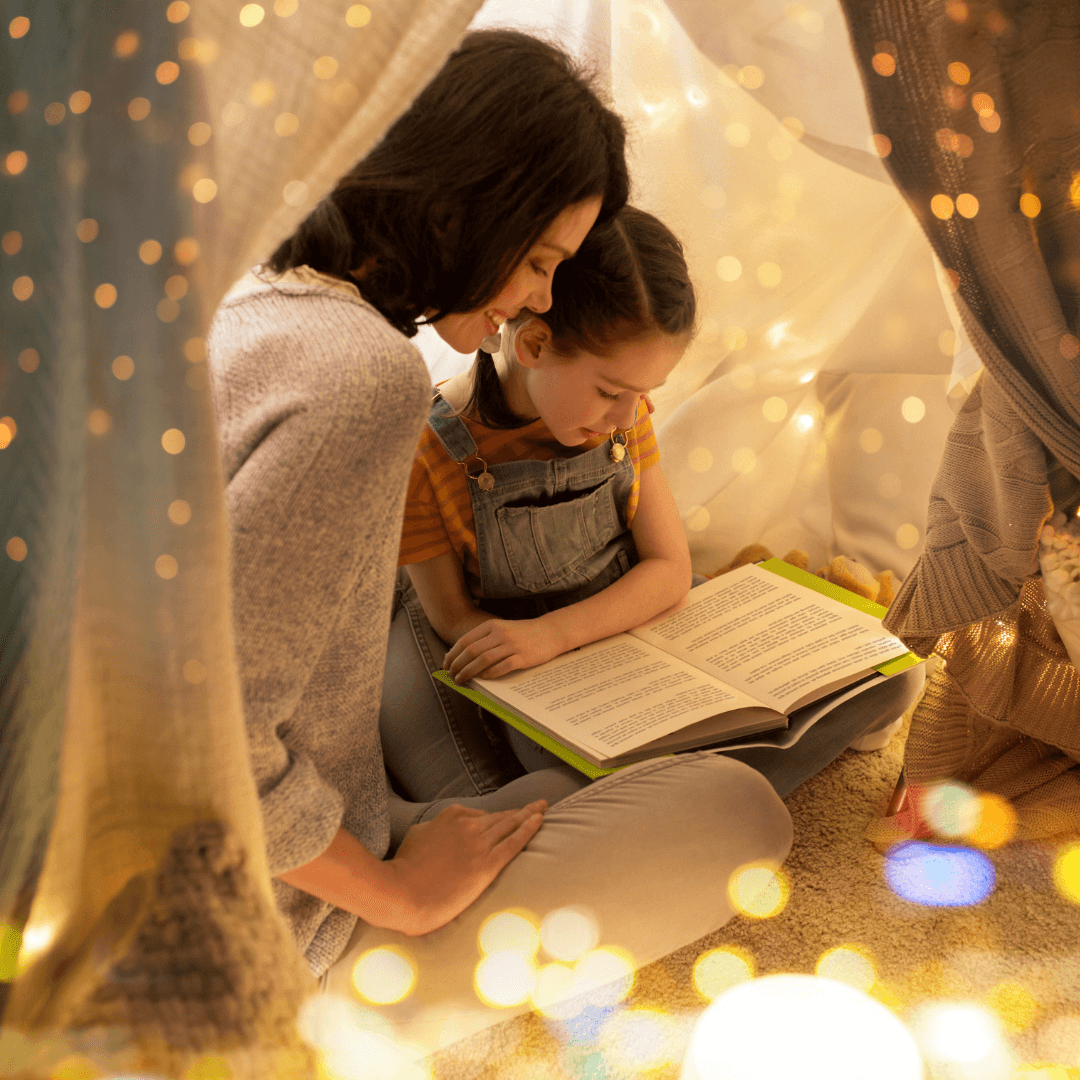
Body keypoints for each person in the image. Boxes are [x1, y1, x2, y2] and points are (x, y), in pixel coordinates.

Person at [206, 27, 792, 1014]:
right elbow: (210, 734)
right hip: (263, 946)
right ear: (459, 206)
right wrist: (395, 890)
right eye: (539, 260)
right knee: (741, 812)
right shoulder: (364, 379)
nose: (540, 297)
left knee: (566, 793)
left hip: (258, 846)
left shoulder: (254, 299)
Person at [384, 204, 925, 820]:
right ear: (533, 343)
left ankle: (661, 809)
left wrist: (565, 631)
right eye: (610, 391)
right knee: (541, 784)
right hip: (524, 662)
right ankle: (684, 804)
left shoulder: (624, 417)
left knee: (893, 678)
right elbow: (452, 618)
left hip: (629, 627)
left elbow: (669, 569)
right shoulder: (427, 450)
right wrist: (543, 642)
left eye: (642, 396)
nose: (626, 416)